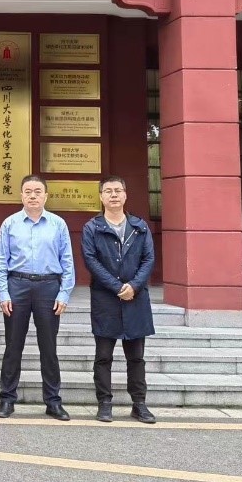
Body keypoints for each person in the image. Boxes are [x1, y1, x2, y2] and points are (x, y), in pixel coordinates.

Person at [0, 175, 75, 421]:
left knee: (48, 347)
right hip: (17, 285)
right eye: (28, 191)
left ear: (46, 196)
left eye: (37, 191)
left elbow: (67, 261)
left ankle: (53, 401)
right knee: (13, 346)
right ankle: (7, 399)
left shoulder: (58, 224)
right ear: (21, 195)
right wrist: (3, 293)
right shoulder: (10, 223)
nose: (32, 196)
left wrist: (64, 293)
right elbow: (0, 261)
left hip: (49, 287)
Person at [81, 175, 157, 424]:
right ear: (101, 196)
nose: (113, 195)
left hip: (136, 299)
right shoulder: (92, 228)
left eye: (118, 190)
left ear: (125, 195)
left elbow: (148, 259)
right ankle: (104, 403)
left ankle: (139, 404)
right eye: (108, 191)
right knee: (103, 356)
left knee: (136, 357)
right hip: (106, 299)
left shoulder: (139, 226)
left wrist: (134, 285)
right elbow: (91, 261)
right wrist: (117, 287)